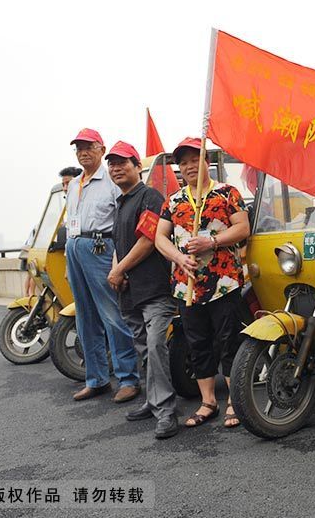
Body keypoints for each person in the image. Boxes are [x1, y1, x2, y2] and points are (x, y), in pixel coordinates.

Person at [155, 138, 250, 429]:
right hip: (187, 286)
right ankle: (208, 401)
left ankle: (236, 400)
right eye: (183, 163)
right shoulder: (174, 200)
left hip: (224, 282)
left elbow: (243, 228)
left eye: (194, 159)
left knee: (229, 341)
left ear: (206, 161)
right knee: (197, 344)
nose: (188, 166)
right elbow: (160, 237)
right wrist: (179, 258)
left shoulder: (226, 193)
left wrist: (213, 240)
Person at [105, 141, 180, 439]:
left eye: (123, 162)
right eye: (111, 164)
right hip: (129, 291)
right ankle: (153, 401)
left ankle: (166, 412)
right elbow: (118, 244)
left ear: (138, 167)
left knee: (156, 346)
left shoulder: (150, 196)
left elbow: (148, 240)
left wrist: (119, 269)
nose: (116, 168)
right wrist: (116, 271)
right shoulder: (120, 202)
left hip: (153, 289)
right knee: (143, 349)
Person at [64, 128, 140, 402]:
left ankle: (128, 379)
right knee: (84, 317)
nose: (83, 151)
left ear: (100, 149)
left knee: (112, 315)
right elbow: (71, 221)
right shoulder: (73, 185)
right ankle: (95, 379)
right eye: (79, 148)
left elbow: (121, 225)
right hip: (75, 248)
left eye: (88, 146)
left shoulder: (110, 182)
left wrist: (119, 265)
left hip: (101, 248)